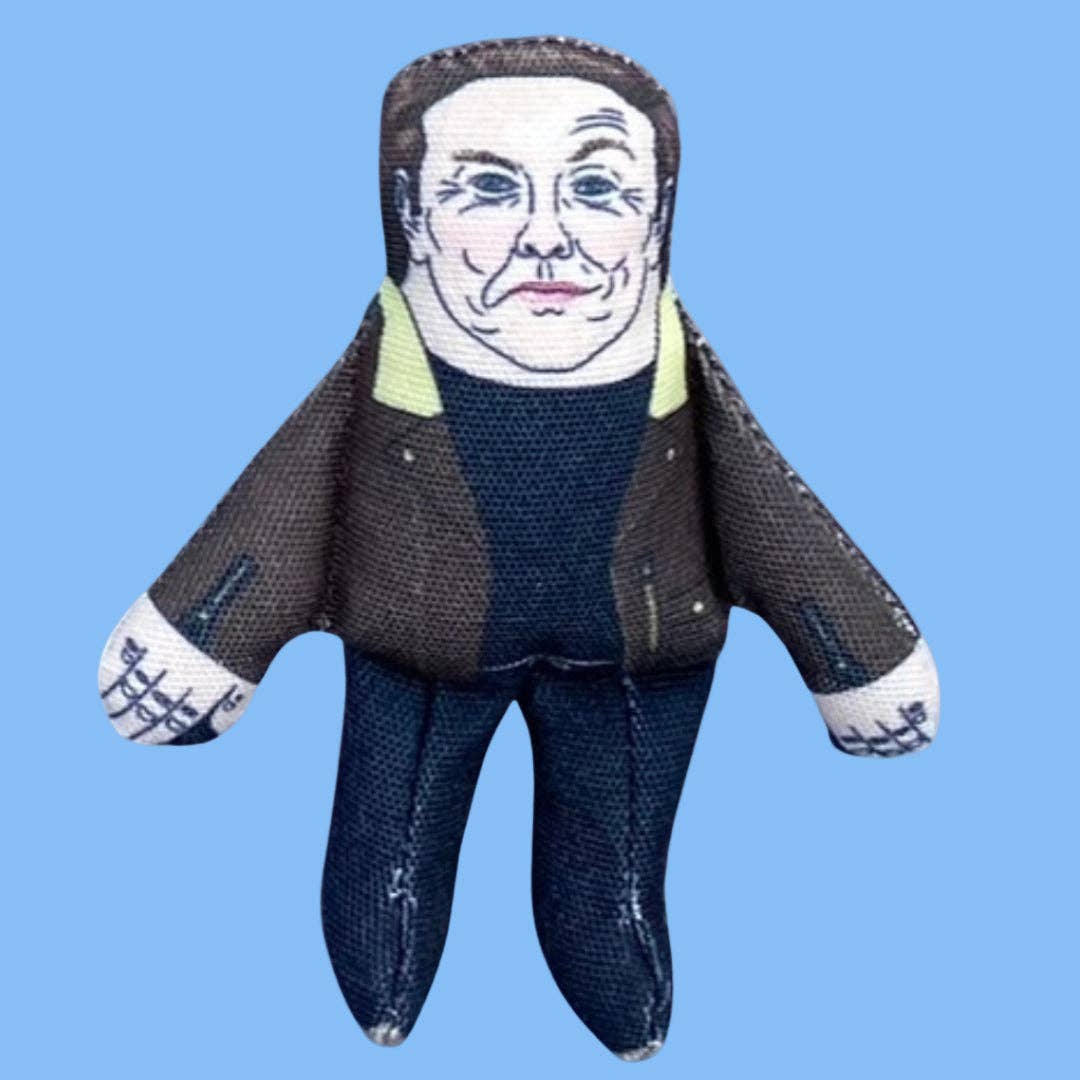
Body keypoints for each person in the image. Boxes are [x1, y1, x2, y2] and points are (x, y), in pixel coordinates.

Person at [99, 36, 940, 1061]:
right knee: (387, 855)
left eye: (597, 188)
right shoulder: (379, 376)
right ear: (411, 213)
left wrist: (855, 654)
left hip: (638, 663)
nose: (548, 237)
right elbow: (285, 499)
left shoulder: (682, 380)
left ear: (659, 215)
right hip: (420, 654)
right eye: (490, 189)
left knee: (615, 868)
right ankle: (384, 989)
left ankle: (617, 992)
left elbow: (771, 514)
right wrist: (202, 636)